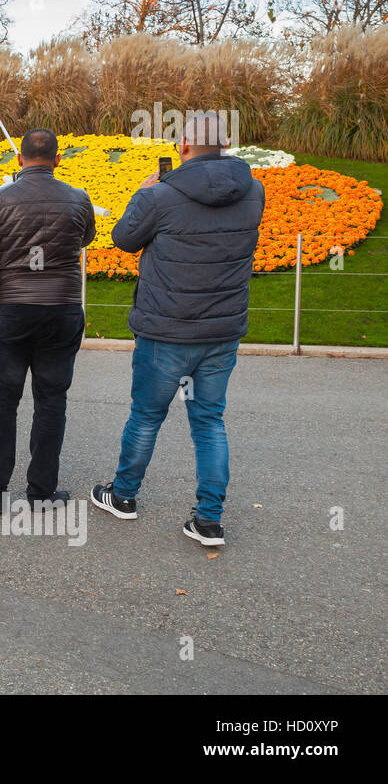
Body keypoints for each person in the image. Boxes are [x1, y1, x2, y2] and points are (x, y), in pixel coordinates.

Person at [91, 112, 264, 547]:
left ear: (183, 147)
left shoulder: (160, 197)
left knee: (147, 415)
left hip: (165, 329)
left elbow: (124, 239)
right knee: (209, 422)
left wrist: (142, 194)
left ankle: (124, 496)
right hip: (221, 331)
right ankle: (209, 520)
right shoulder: (254, 191)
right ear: (223, 146)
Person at [0, 129, 96, 511]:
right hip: (62, 309)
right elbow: (85, 238)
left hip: (12, 310)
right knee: (52, 401)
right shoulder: (79, 199)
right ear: (57, 159)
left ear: (18, 160)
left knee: (2, 402)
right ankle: (41, 491)